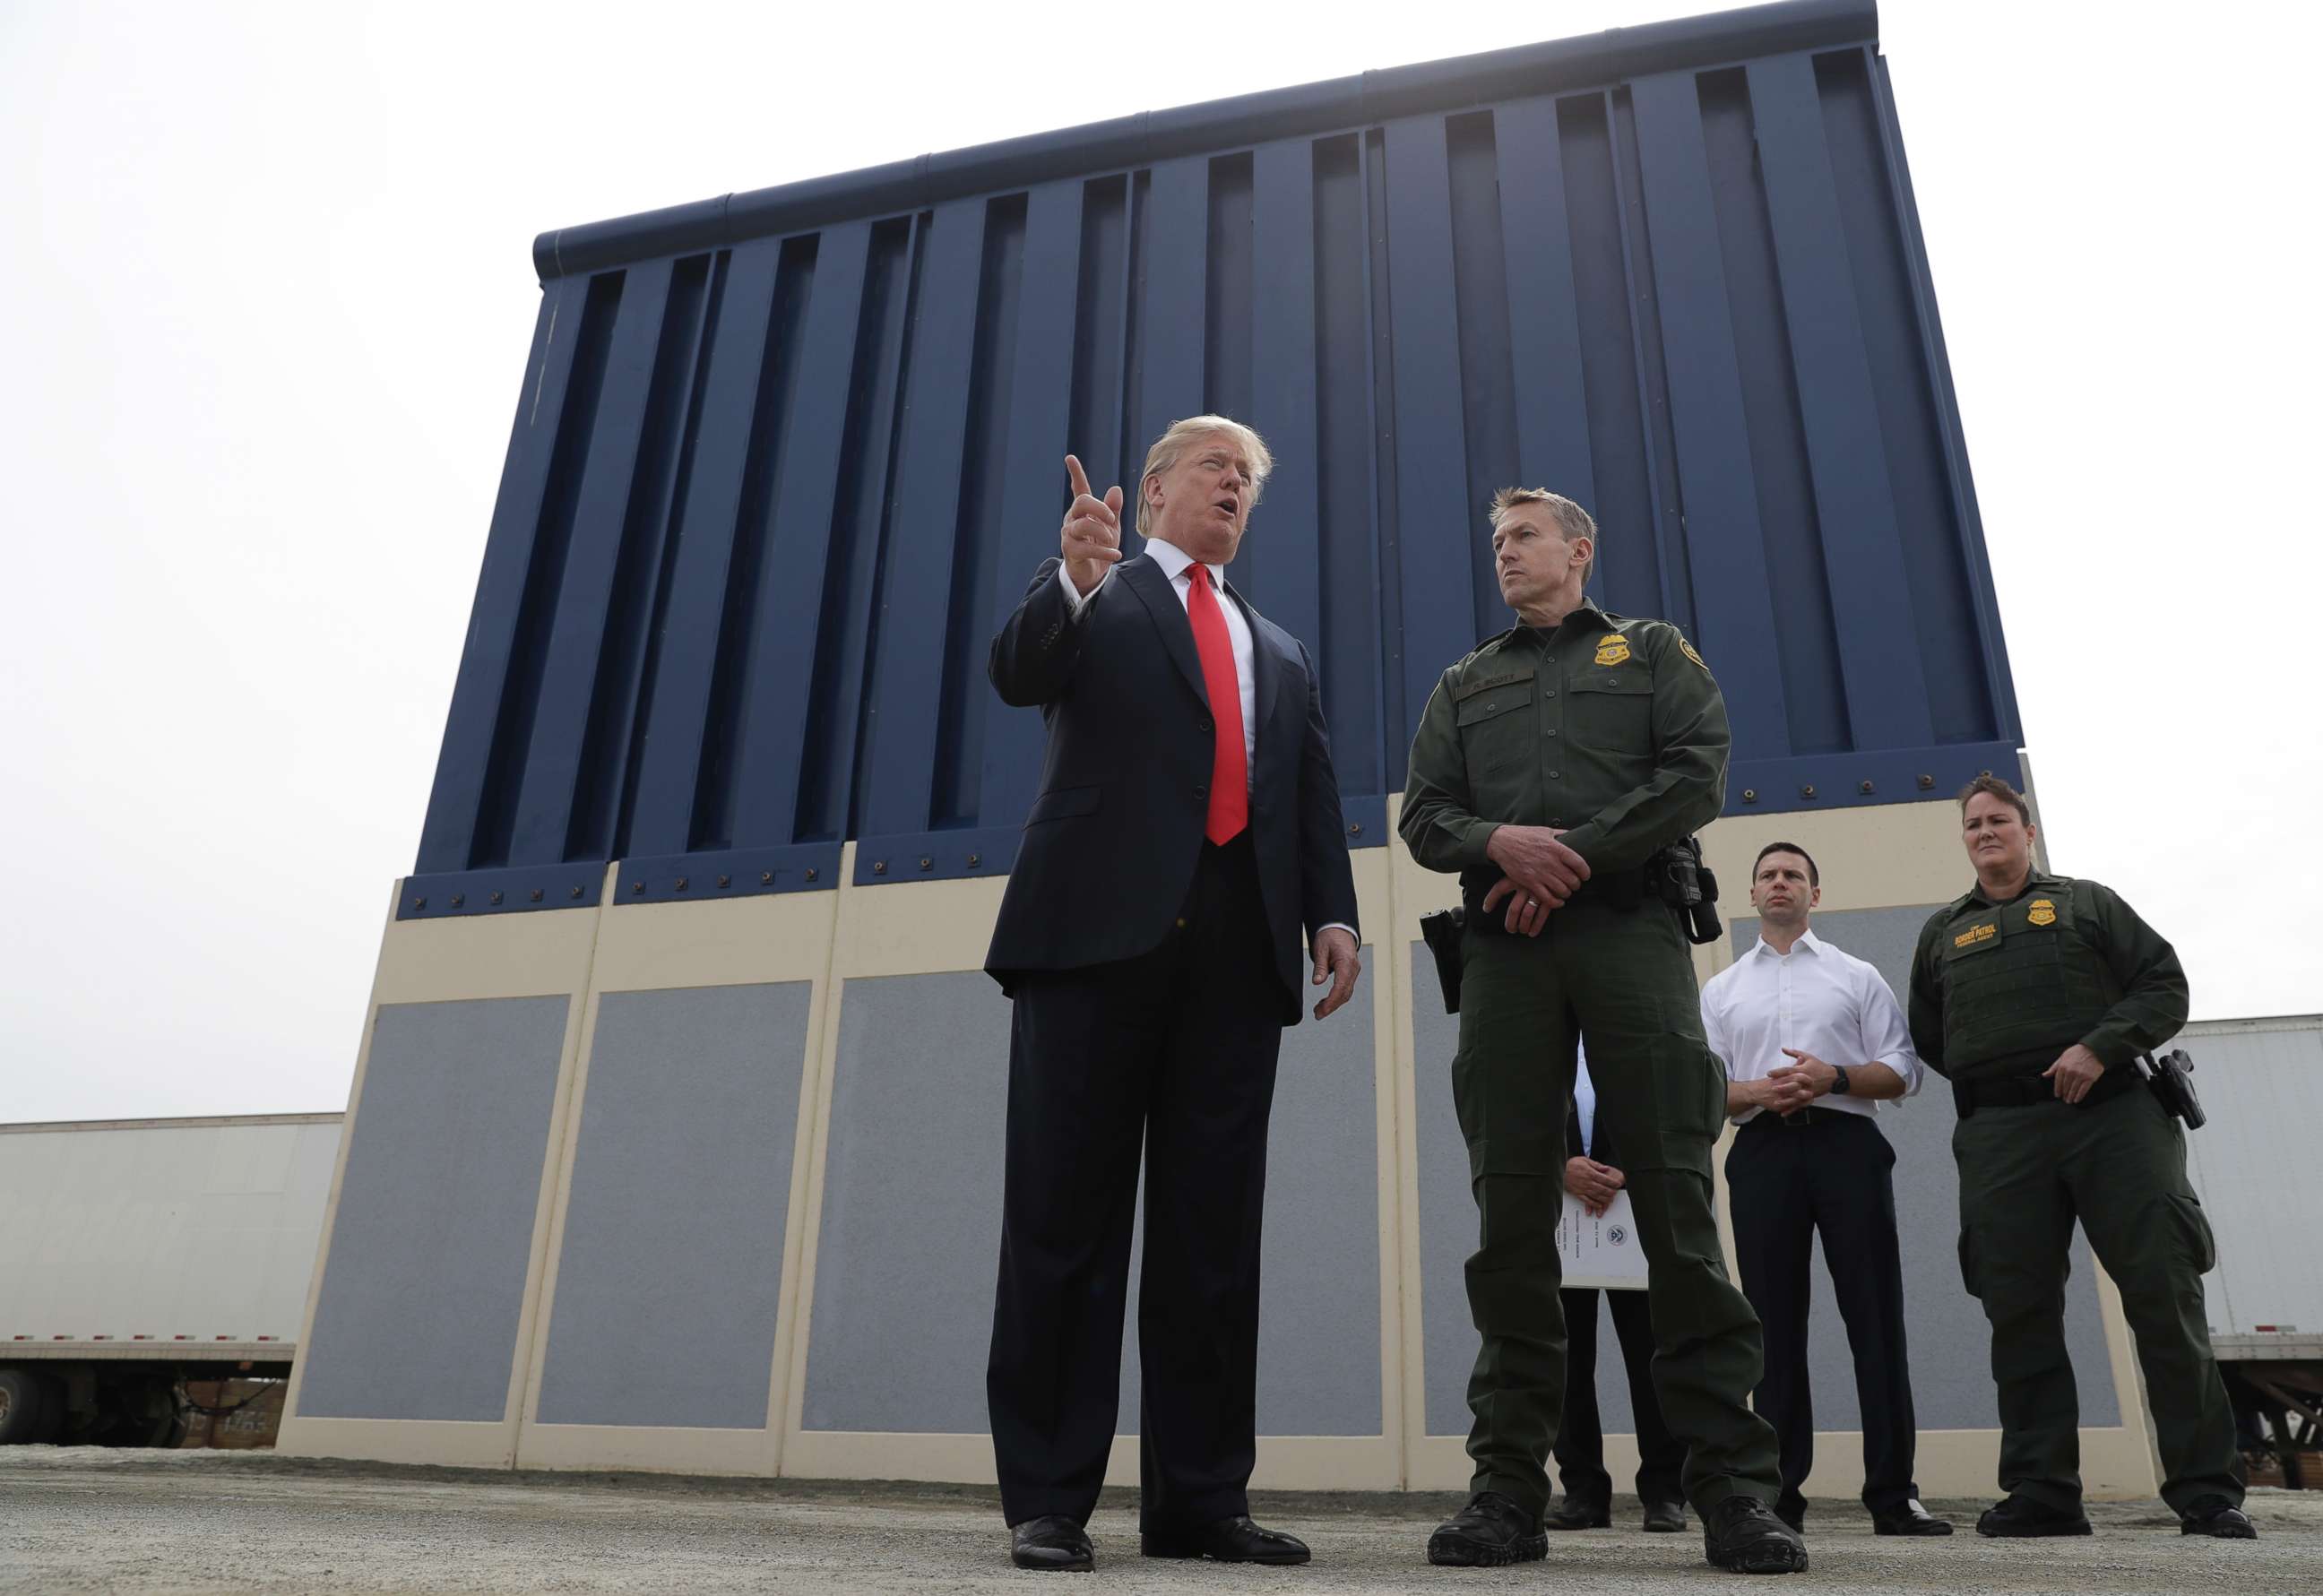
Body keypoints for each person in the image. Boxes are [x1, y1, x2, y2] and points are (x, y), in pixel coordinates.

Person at [982, 417, 1365, 1573]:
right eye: (1216, 467)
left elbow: (1309, 788)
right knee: (1066, 1221)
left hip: (1237, 957)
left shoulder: (1281, 647)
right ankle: (1049, 1497)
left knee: (1212, 1240)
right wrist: (1071, 579)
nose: (1236, 486)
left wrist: (1330, 911)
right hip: (1096, 939)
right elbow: (1017, 674)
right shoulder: (1100, 593)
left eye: (1248, 477)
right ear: (1152, 489)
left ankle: (1200, 1498)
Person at [1399, 487, 1803, 1575]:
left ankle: (1731, 1490)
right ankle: (1508, 1492)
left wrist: (1564, 855)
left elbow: (1695, 771)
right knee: (1512, 1213)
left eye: (1523, 536)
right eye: (1494, 541)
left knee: (1674, 1198)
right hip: (1506, 957)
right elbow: (1426, 815)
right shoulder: (1464, 682)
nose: (1505, 553)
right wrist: (1501, 844)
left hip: (1630, 937)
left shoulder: (1653, 649)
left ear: (1578, 548)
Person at [1907, 774, 2254, 1540]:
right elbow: (1933, 1037)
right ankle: (2044, 1490)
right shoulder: (1940, 934)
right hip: (2002, 1136)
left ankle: (2205, 1491)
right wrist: (2004, 1081)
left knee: (2164, 1294)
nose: (1986, 831)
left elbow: (2164, 985)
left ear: (2027, 831)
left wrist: (2099, 1048)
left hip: (2114, 1122)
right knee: (2018, 1309)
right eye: (1973, 824)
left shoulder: (2087, 903)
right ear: (1964, 839)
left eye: (1999, 819)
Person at [1701, 842, 1950, 1537]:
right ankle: (1777, 1499)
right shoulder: (1720, 990)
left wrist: (1832, 1078)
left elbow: (1903, 1069)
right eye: (1769, 875)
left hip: (1847, 1146)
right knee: (1772, 1328)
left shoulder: (1856, 974)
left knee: (1875, 1317)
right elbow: (1704, 1087)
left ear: (1816, 892)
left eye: (1794, 875)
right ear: (1751, 894)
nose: (1781, 883)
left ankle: (1895, 1494)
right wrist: (1756, 1089)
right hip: (1763, 1152)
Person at [1551, 1049, 1688, 1535]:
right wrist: (1559, 1164)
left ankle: (1666, 1493)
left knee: (1651, 1350)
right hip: (1560, 1212)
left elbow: (1675, 1102)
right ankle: (1583, 1492)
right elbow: (1513, 1108)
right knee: (1566, 1355)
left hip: (1637, 1207)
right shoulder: (1541, 1026)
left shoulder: (1632, 1022)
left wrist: (1625, 1168)